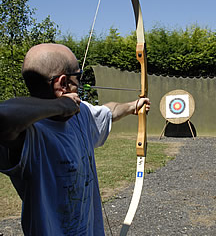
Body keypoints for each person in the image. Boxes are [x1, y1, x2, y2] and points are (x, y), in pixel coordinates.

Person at [0, 43, 150, 235]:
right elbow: (4, 115)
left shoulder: (81, 113)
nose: (80, 83)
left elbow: (109, 112)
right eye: (78, 77)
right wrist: (60, 106)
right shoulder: (29, 136)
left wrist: (133, 105)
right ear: (63, 83)